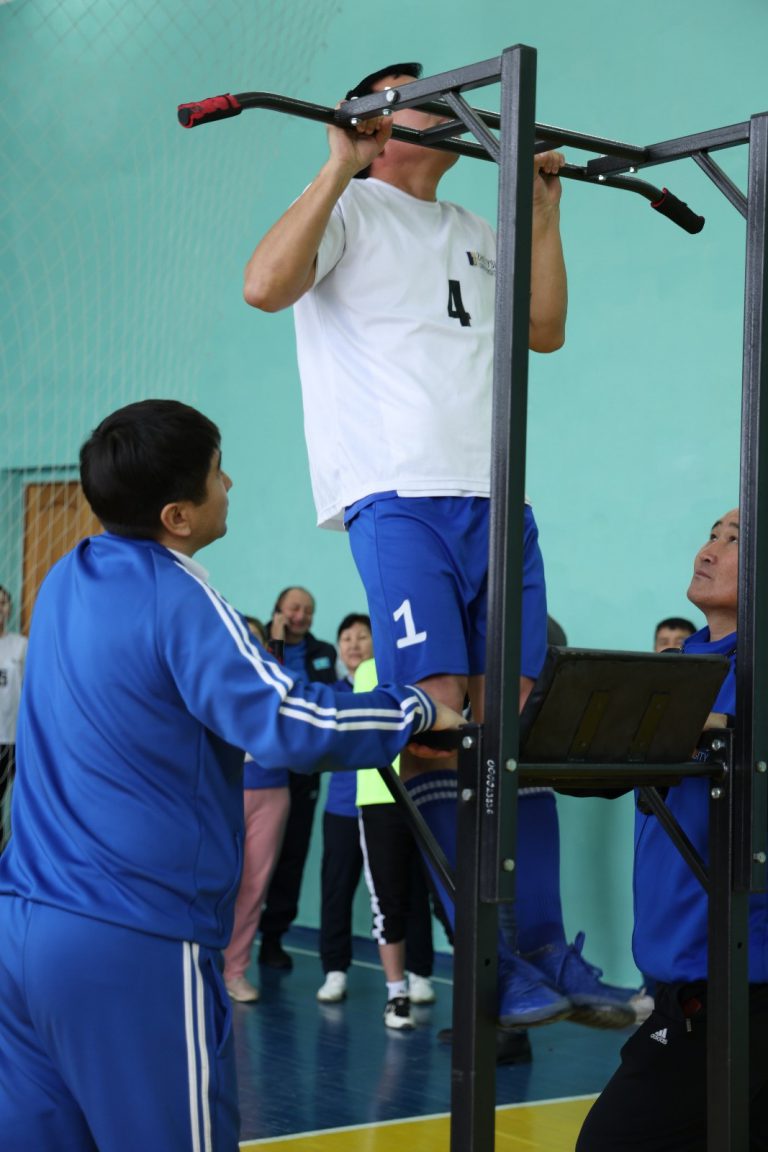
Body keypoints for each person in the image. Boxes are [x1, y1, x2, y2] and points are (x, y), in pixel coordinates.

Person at [243, 62, 642, 1029]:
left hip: (498, 496)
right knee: (441, 720)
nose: (448, 110)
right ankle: (490, 959)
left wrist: (542, 211)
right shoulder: (346, 209)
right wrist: (336, 166)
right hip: (398, 495)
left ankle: (541, 949)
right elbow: (263, 287)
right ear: (376, 124)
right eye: (420, 98)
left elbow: (544, 329)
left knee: (514, 723)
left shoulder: (473, 227)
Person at [0, 399, 464, 1152]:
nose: (231, 484)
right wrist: (414, 709)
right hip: (134, 938)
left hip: (24, 931)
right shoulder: (179, 596)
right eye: (219, 473)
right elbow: (289, 722)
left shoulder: (61, 581)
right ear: (178, 515)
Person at [577, 508, 768, 1151]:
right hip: (677, 983)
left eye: (734, 539)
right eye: (711, 534)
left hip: (739, 985)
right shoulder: (677, 668)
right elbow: (593, 772)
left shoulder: (757, 672)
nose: (708, 549)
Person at [258, 586, 338, 971]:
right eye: (294, 608)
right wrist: (274, 641)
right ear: (278, 610)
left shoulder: (323, 652)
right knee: (251, 858)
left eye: (308, 610)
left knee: (292, 857)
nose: (301, 616)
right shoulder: (258, 642)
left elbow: (318, 696)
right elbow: (268, 689)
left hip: (303, 772)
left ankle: (273, 938)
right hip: (260, 772)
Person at [222, 616, 289, 1003]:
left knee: (253, 887)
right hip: (223, 790)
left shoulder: (277, 680)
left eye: (255, 636)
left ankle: (235, 971)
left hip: (271, 791)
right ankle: (204, 965)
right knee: (218, 881)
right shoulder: (213, 677)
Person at [0, 586, 26, 853]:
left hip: (16, 740)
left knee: (24, 803)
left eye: (3, 603)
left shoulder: (20, 645)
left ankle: (18, 858)